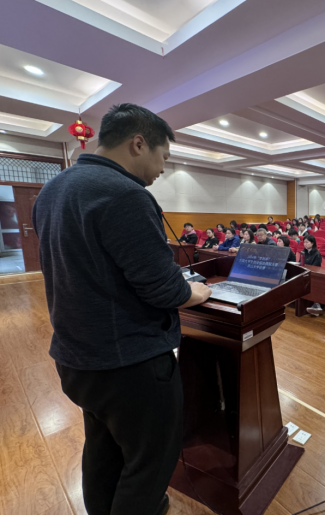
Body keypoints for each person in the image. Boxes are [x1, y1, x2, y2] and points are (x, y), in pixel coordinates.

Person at [32, 103, 212, 515]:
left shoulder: (53, 190)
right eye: (163, 156)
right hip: (128, 364)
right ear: (138, 143)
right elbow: (164, 289)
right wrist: (196, 292)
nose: (163, 167)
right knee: (149, 464)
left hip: (76, 358)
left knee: (104, 450)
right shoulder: (124, 194)